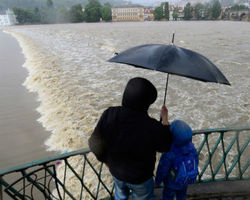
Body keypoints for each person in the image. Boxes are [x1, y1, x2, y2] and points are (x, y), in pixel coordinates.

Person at [88, 77, 173, 200]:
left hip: (116, 172)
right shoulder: (151, 126)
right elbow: (166, 145)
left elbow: (94, 143)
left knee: (120, 196)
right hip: (141, 179)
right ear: (145, 103)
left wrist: (107, 162)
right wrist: (164, 119)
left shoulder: (110, 113)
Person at [155, 120, 199, 200]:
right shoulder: (192, 148)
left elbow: (163, 168)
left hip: (171, 183)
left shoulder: (169, 152)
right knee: (182, 196)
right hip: (184, 181)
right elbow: (196, 161)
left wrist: (157, 181)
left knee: (167, 196)